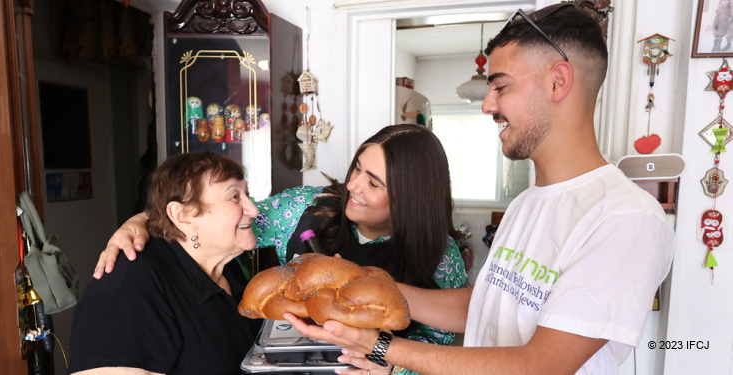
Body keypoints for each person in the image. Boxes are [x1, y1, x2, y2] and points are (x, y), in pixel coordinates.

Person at [284, 4, 675, 375]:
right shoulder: (527, 204)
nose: (488, 105)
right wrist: (363, 282)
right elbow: (484, 305)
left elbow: (541, 366)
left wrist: (382, 347)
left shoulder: (625, 218)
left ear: (558, 81)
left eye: (500, 87)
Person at [93, 124, 468, 374]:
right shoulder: (306, 208)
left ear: (410, 197)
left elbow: (442, 348)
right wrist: (138, 221)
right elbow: (214, 218)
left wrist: (394, 367)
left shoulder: (439, 254)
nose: (353, 186)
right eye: (357, 169)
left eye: (373, 183)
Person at [69, 151, 262, 374]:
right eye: (234, 197)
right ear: (182, 216)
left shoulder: (225, 266)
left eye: (247, 194)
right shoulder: (129, 292)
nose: (254, 209)